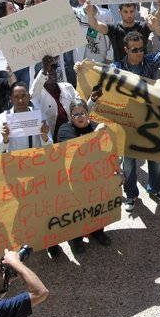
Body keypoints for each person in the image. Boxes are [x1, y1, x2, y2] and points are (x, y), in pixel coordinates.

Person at [113, 15, 160, 212]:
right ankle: (130, 195)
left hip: (151, 121)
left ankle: (155, 188)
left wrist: (157, 30)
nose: (139, 53)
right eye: (135, 50)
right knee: (129, 163)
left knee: (155, 159)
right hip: (128, 123)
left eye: (141, 49)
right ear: (126, 50)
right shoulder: (117, 68)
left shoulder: (149, 62)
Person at [54, 100, 115, 252]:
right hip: (74, 179)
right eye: (76, 114)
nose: (80, 117)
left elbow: (109, 151)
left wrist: (117, 170)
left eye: (83, 113)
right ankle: (76, 238)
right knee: (77, 209)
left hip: (95, 178)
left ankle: (98, 232)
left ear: (88, 114)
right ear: (70, 116)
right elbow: (75, 151)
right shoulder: (65, 130)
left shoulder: (95, 126)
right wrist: (96, 136)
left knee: (96, 205)